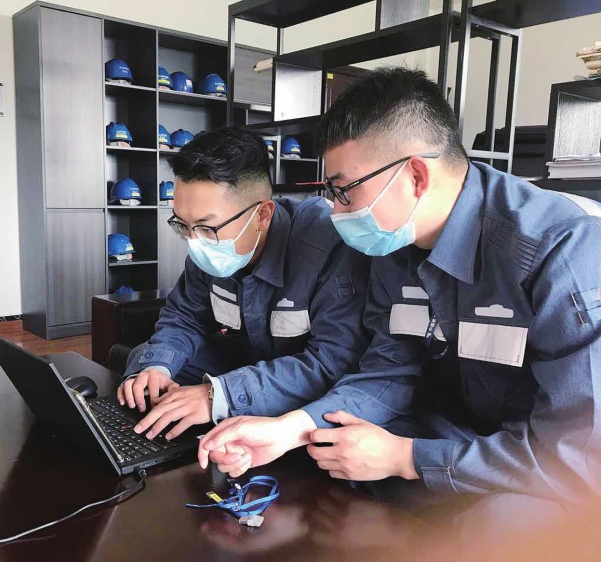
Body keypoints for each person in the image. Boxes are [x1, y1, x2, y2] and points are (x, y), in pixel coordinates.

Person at [198, 68, 601, 519]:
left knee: (500, 523)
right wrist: (291, 429)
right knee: (324, 458)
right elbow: (390, 368)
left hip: (538, 462)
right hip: (457, 433)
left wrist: (407, 458)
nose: (335, 211)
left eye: (344, 191)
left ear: (415, 175)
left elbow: (577, 456)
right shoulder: (394, 247)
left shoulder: (562, 248)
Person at [115, 127, 375, 441]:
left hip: (305, 384)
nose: (194, 242)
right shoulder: (205, 245)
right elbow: (184, 317)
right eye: (183, 226)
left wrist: (218, 395)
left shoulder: (327, 244)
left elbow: (331, 362)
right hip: (245, 363)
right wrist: (156, 368)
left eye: (206, 228)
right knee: (151, 364)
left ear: (262, 214)